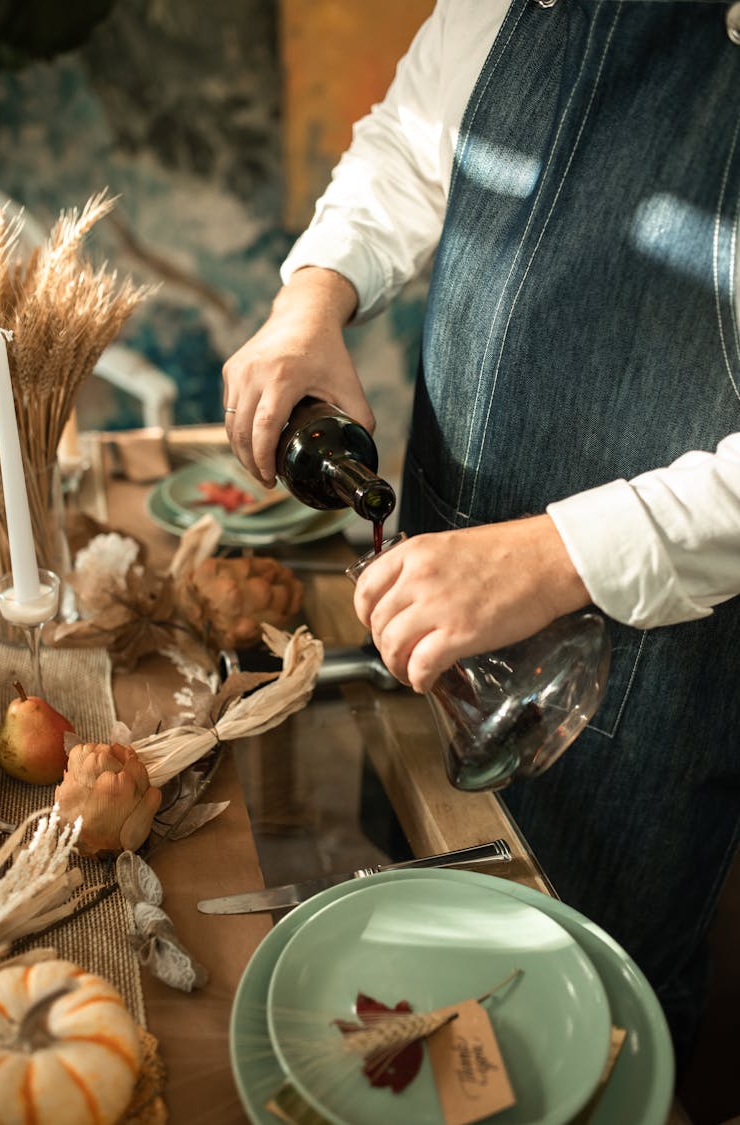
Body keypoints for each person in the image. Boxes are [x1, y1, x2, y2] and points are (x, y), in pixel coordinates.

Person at [223, 0, 740, 1074]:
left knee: (581, 1033)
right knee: (424, 954)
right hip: (451, 576)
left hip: (649, 663)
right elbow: (416, 139)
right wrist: (311, 298)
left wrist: (555, 557)